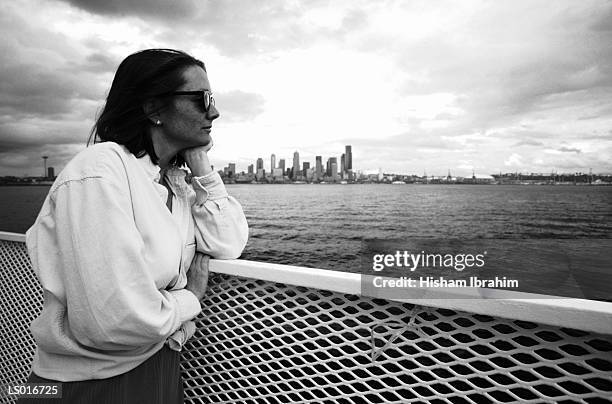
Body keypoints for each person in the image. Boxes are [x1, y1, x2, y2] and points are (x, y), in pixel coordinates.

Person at [18, 49, 249, 403]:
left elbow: (228, 243)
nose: (214, 111)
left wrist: (201, 165)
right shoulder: (99, 171)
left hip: (159, 363)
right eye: (202, 99)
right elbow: (113, 322)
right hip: (83, 383)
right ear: (153, 109)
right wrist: (190, 298)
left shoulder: (175, 182)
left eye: (212, 99)